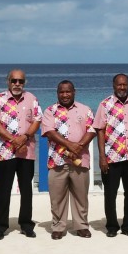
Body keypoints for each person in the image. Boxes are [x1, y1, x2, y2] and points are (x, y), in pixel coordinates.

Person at [0, 69, 42, 240]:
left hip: (27, 152)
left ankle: (26, 225)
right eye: (14, 81)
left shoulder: (31, 99)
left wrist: (24, 137)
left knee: (27, 190)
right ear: (8, 81)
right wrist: (14, 140)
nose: (17, 84)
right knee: (3, 190)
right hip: (5, 152)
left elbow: (37, 120)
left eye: (20, 81)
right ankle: (0, 226)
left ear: (24, 82)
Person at [41, 81, 96, 239]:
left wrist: (79, 146)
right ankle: (58, 227)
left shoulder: (84, 109)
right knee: (57, 197)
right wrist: (71, 145)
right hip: (56, 160)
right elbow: (50, 132)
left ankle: (81, 226)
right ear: (57, 93)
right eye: (61, 92)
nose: (65, 95)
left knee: (81, 196)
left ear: (74, 92)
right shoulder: (50, 111)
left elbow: (92, 130)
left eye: (68, 92)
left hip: (80, 160)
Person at [94, 73, 128, 237]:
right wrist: (102, 157)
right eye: (119, 85)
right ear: (114, 85)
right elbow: (100, 131)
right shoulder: (105, 105)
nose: (122, 87)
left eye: (125, 85)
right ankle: (111, 226)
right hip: (112, 158)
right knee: (110, 194)